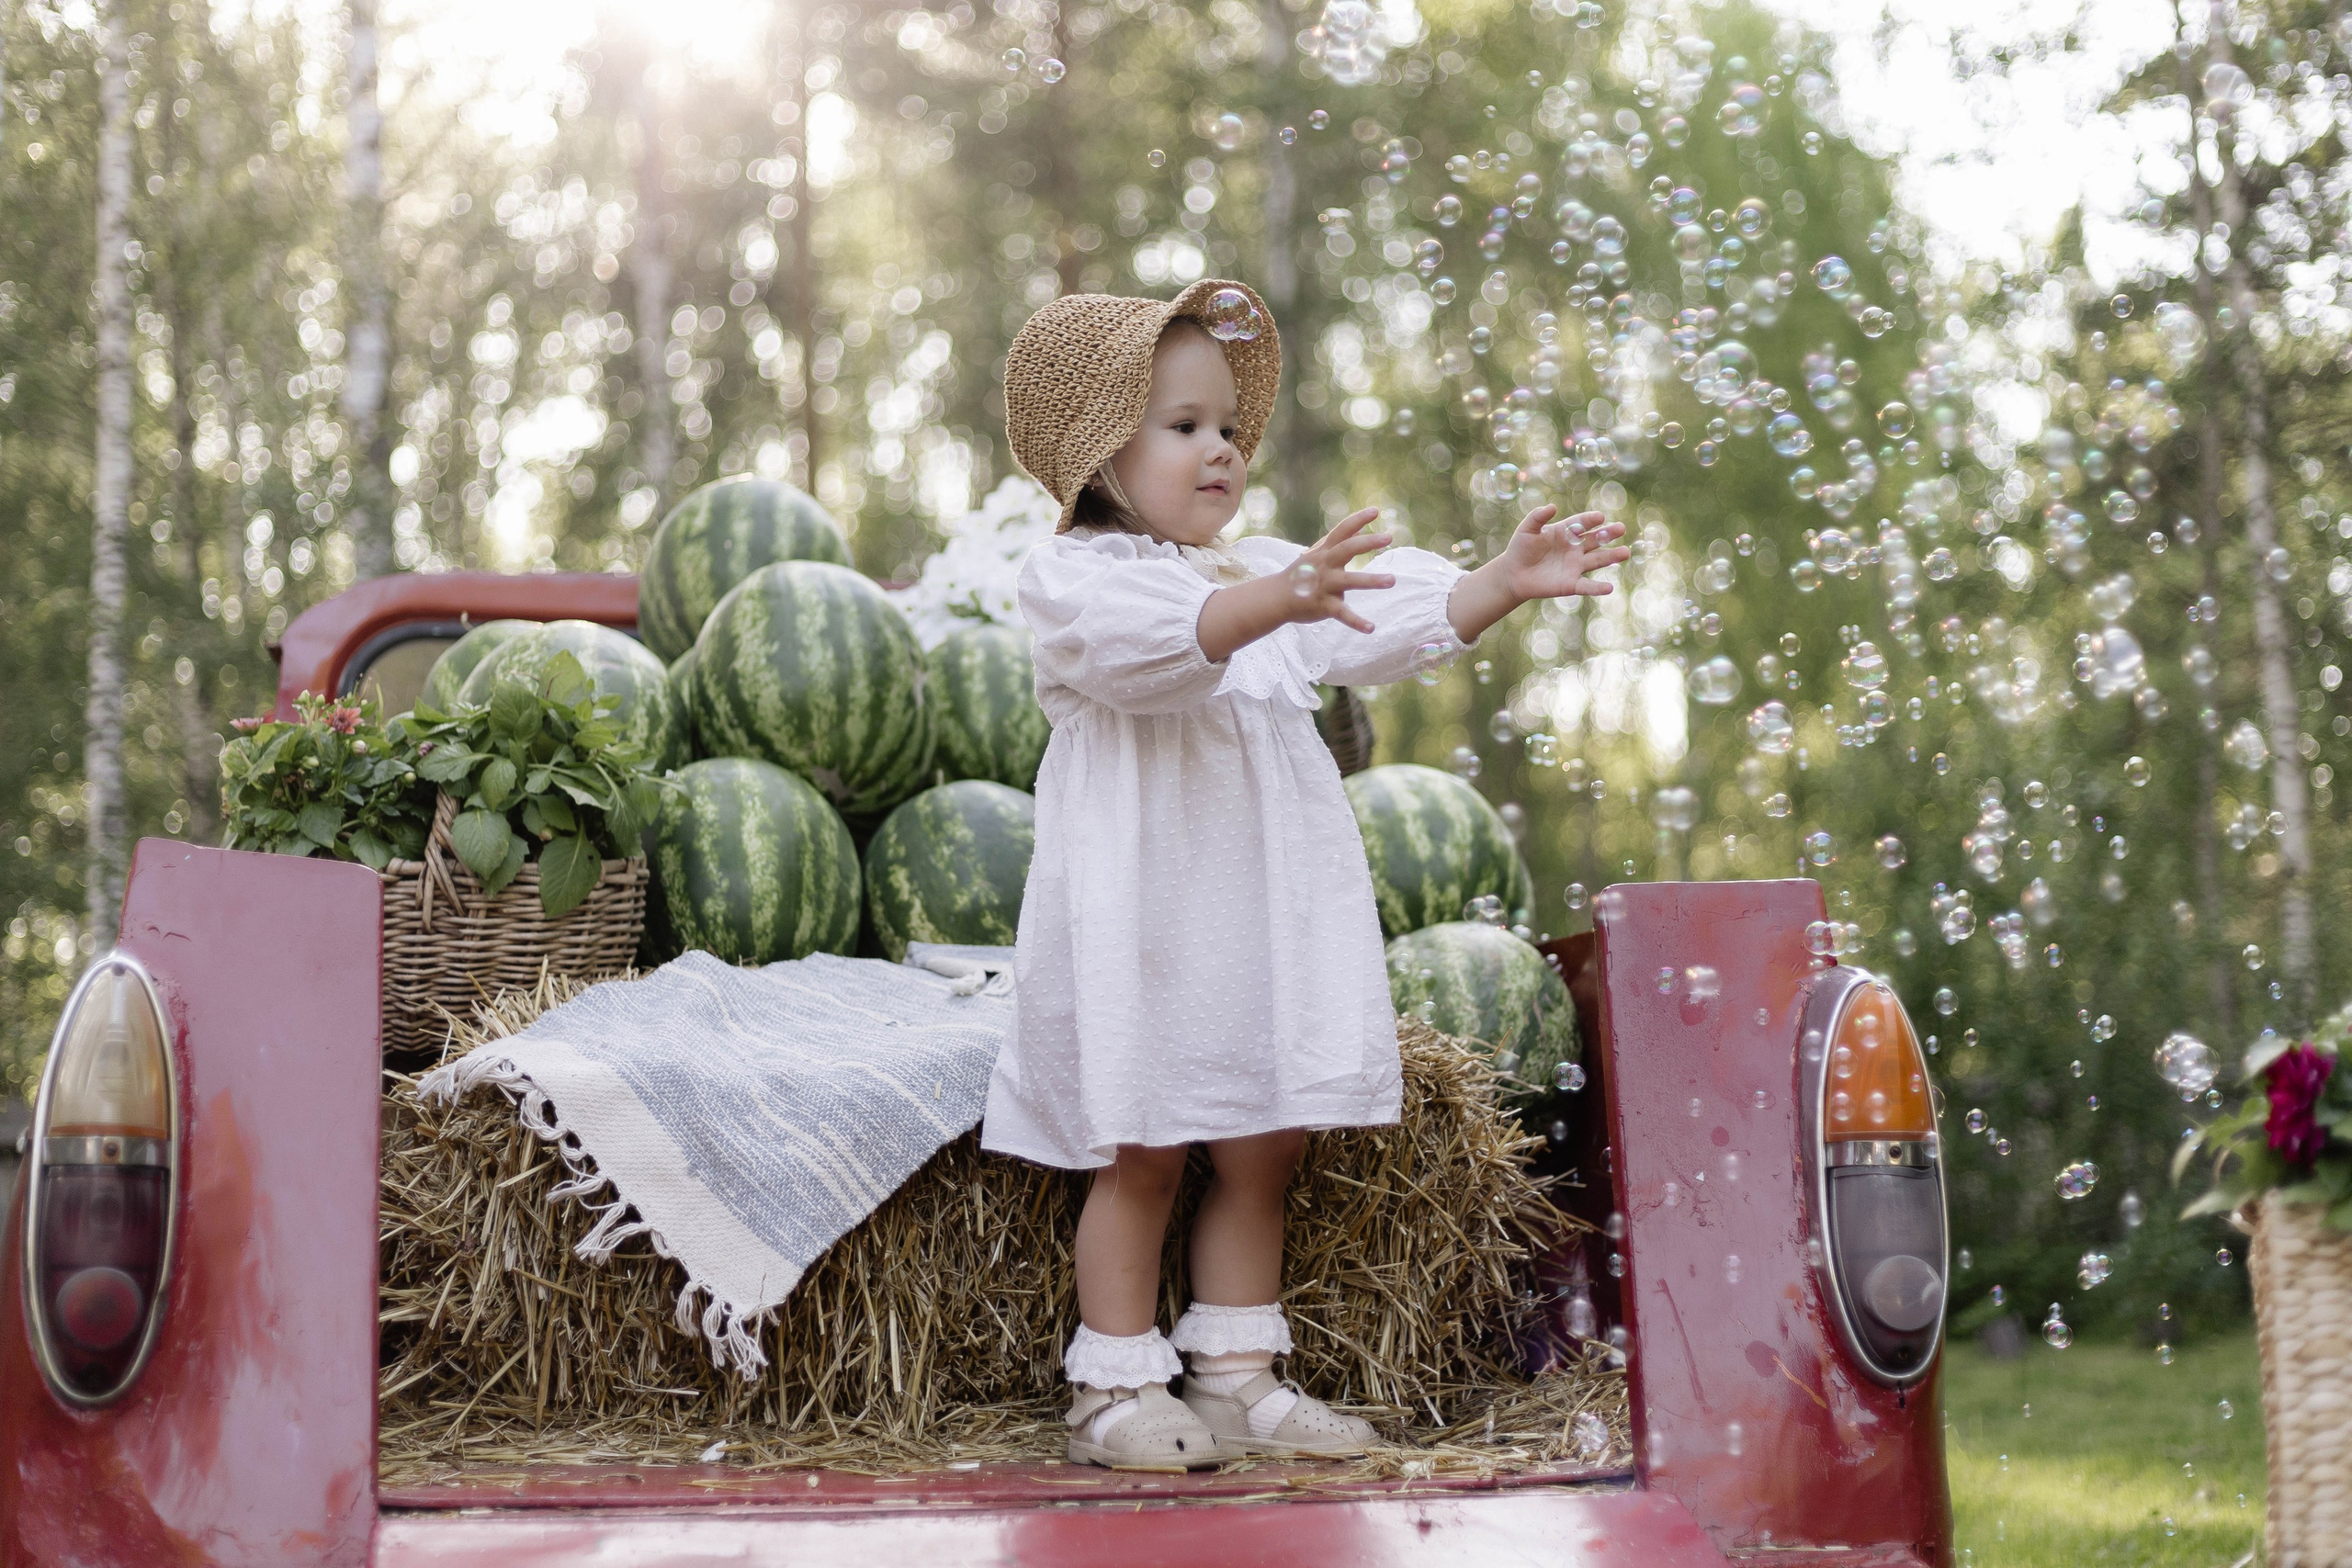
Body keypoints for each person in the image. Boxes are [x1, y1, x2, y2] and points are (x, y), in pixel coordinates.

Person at [980, 278, 1630, 1471]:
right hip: (1145, 927)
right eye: (1184, 426)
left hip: (1254, 927)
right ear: (1098, 450)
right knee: (1141, 1153)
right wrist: (1271, 600)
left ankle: (1238, 1375)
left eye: (1228, 426)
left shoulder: (1263, 570)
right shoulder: (1077, 581)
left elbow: (1374, 621)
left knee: (1264, 1143)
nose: (1222, 449)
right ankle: (1113, 1386)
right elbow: (1157, 651)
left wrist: (1495, 581)